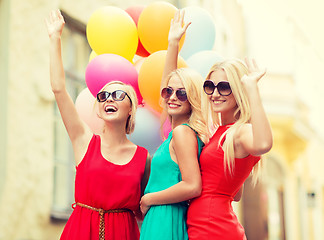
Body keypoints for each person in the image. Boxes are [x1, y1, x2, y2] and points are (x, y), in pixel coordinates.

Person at [165, 10, 273, 240]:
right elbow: (235, 195)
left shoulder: (240, 132)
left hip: (213, 230)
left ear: (238, 91)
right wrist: (173, 45)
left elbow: (264, 143)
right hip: (208, 226)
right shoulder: (219, 133)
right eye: (209, 86)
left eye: (224, 87)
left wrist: (252, 87)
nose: (215, 93)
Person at [45, 10, 150, 240]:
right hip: (81, 232)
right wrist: (55, 39)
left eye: (117, 95)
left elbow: (145, 211)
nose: (109, 99)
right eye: (103, 96)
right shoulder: (83, 139)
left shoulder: (144, 158)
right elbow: (59, 89)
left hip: (124, 234)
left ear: (131, 108)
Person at [139, 11, 208, 240]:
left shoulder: (181, 132)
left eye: (182, 93)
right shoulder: (177, 130)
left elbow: (192, 185)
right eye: (169, 91)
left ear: (194, 98)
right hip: (162, 215)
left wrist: (149, 198)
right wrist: (172, 44)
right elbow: (166, 85)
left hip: (165, 216)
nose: (172, 97)